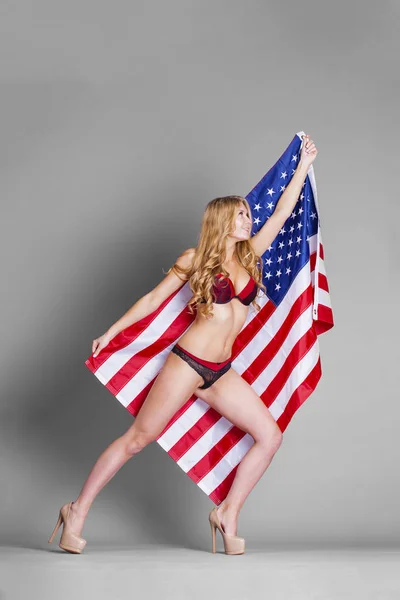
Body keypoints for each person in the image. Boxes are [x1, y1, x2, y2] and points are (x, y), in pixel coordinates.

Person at [48, 134, 318, 555]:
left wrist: (303, 167)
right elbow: (154, 299)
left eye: (249, 214)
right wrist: (112, 331)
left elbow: (282, 214)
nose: (249, 220)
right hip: (188, 364)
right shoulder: (195, 259)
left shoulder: (250, 258)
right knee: (138, 438)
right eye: (242, 215)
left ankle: (227, 512)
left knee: (269, 435)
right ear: (222, 220)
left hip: (220, 372)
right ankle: (76, 509)